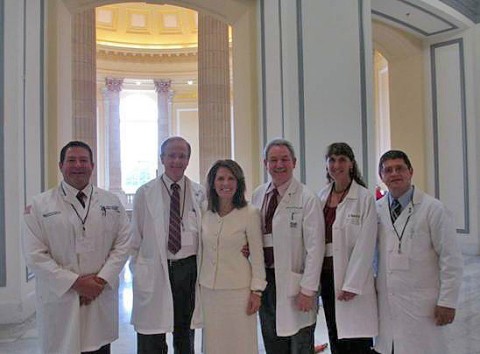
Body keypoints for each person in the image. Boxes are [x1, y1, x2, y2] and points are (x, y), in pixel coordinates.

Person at [22, 141, 131, 354]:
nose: (78, 165)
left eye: (84, 160)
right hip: (61, 300)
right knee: (62, 346)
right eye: (71, 160)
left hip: (99, 296)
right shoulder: (39, 206)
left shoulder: (111, 202)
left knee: (98, 347)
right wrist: (76, 283)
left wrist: (99, 281)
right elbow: (35, 256)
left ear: (92, 165)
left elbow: (123, 243)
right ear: (61, 165)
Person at [374, 150, 463, 354]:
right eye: (388, 170)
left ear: (410, 172)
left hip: (424, 304)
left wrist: (447, 302)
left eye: (400, 168)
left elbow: (451, 260)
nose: (394, 174)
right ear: (382, 177)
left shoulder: (434, 209)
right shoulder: (376, 209)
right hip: (388, 302)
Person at [130, 136, 205, 354]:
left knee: (185, 334)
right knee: (151, 335)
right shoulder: (144, 193)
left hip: (188, 270)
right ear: (162, 158)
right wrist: (139, 271)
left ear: (188, 160)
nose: (177, 160)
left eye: (182, 156)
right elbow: (135, 238)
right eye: (171, 155)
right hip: (154, 270)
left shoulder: (199, 193)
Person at [251, 138, 325, 354]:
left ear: (294, 162)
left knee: (300, 343)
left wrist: (308, 290)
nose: (279, 165)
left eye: (284, 159)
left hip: (297, 283)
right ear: (265, 163)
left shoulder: (307, 198)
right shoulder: (258, 194)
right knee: (273, 341)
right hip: (266, 282)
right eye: (273, 160)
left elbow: (316, 248)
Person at [197, 159, 267, 354]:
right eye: (220, 178)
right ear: (212, 183)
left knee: (240, 343)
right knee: (213, 344)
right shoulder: (203, 211)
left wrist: (257, 291)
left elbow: (258, 256)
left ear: (239, 183)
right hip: (209, 291)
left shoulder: (250, 213)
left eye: (230, 178)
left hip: (240, 292)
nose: (225, 183)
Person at [317, 143, 378, 354]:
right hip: (326, 276)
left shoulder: (364, 197)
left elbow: (366, 245)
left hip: (353, 278)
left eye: (342, 159)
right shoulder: (321, 196)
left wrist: (352, 283)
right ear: (326, 165)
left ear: (351, 164)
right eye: (332, 160)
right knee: (335, 333)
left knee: (357, 337)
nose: (336, 164)